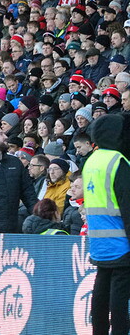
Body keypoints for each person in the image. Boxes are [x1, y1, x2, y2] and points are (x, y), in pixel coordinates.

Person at [84, 114, 130, 335]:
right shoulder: (118, 161)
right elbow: (128, 206)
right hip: (121, 239)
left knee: (100, 290)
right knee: (119, 296)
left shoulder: (91, 160)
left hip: (98, 240)